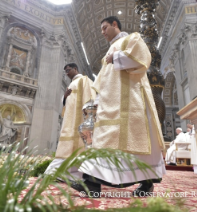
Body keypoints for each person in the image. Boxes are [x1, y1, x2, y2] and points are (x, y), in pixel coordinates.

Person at [72, 16, 166, 197]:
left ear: (115, 24)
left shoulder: (132, 38)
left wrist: (115, 56)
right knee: (103, 140)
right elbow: (103, 81)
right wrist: (96, 101)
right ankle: (92, 184)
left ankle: (146, 185)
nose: (102, 32)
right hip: (110, 102)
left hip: (131, 101)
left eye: (105, 27)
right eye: (101, 29)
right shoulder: (107, 52)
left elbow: (143, 59)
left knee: (136, 141)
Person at [44, 63, 95, 181]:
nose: (67, 73)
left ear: (75, 69)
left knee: (78, 146)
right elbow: (65, 104)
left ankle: (61, 173)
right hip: (70, 120)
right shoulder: (71, 84)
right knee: (67, 145)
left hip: (80, 119)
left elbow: (89, 96)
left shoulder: (84, 80)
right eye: (65, 71)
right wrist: (65, 97)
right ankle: (69, 175)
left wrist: (88, 114)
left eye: (68, 70)